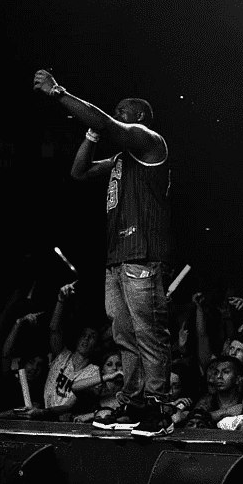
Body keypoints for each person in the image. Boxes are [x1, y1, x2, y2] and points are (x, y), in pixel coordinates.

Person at [34, 69, 174, 437]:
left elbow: (105, 122)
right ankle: (135, 404)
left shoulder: (149, 141)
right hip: (116, 258)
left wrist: (59, 92)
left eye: (121, 111)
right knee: (125, 336)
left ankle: (159, 408)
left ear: (138, 117)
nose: (115, 115)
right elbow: (79, 172)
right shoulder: (120, 160)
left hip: (141, 253)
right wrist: (92, 135)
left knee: (148, 333)